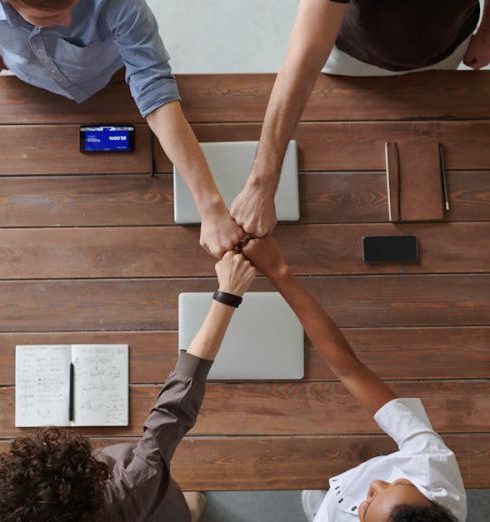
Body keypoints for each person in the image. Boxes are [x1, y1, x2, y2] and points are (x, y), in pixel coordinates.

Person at [0, 251, 256, 522]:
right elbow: (173, 408)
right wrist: (228, 293)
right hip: (163, 509)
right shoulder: (132, 485)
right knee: (183, 507)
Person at [242, 237, 466, 522]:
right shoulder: (431, 465)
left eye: (368, 502)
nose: (375, 484)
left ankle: (324, 508)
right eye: (399, 482)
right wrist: (278, 272)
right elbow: (349, 369)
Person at [0, 0, 244, 258]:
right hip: (30, 97)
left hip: (114, 83)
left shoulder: (122, 5)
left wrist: (211, 208)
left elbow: (155, 93)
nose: (67, 21)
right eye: (52, 14)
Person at [230, 0, 490, 238]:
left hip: (447, 49)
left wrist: (487, 31)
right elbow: (303, 63)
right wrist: (260, 184)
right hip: (352, 57)